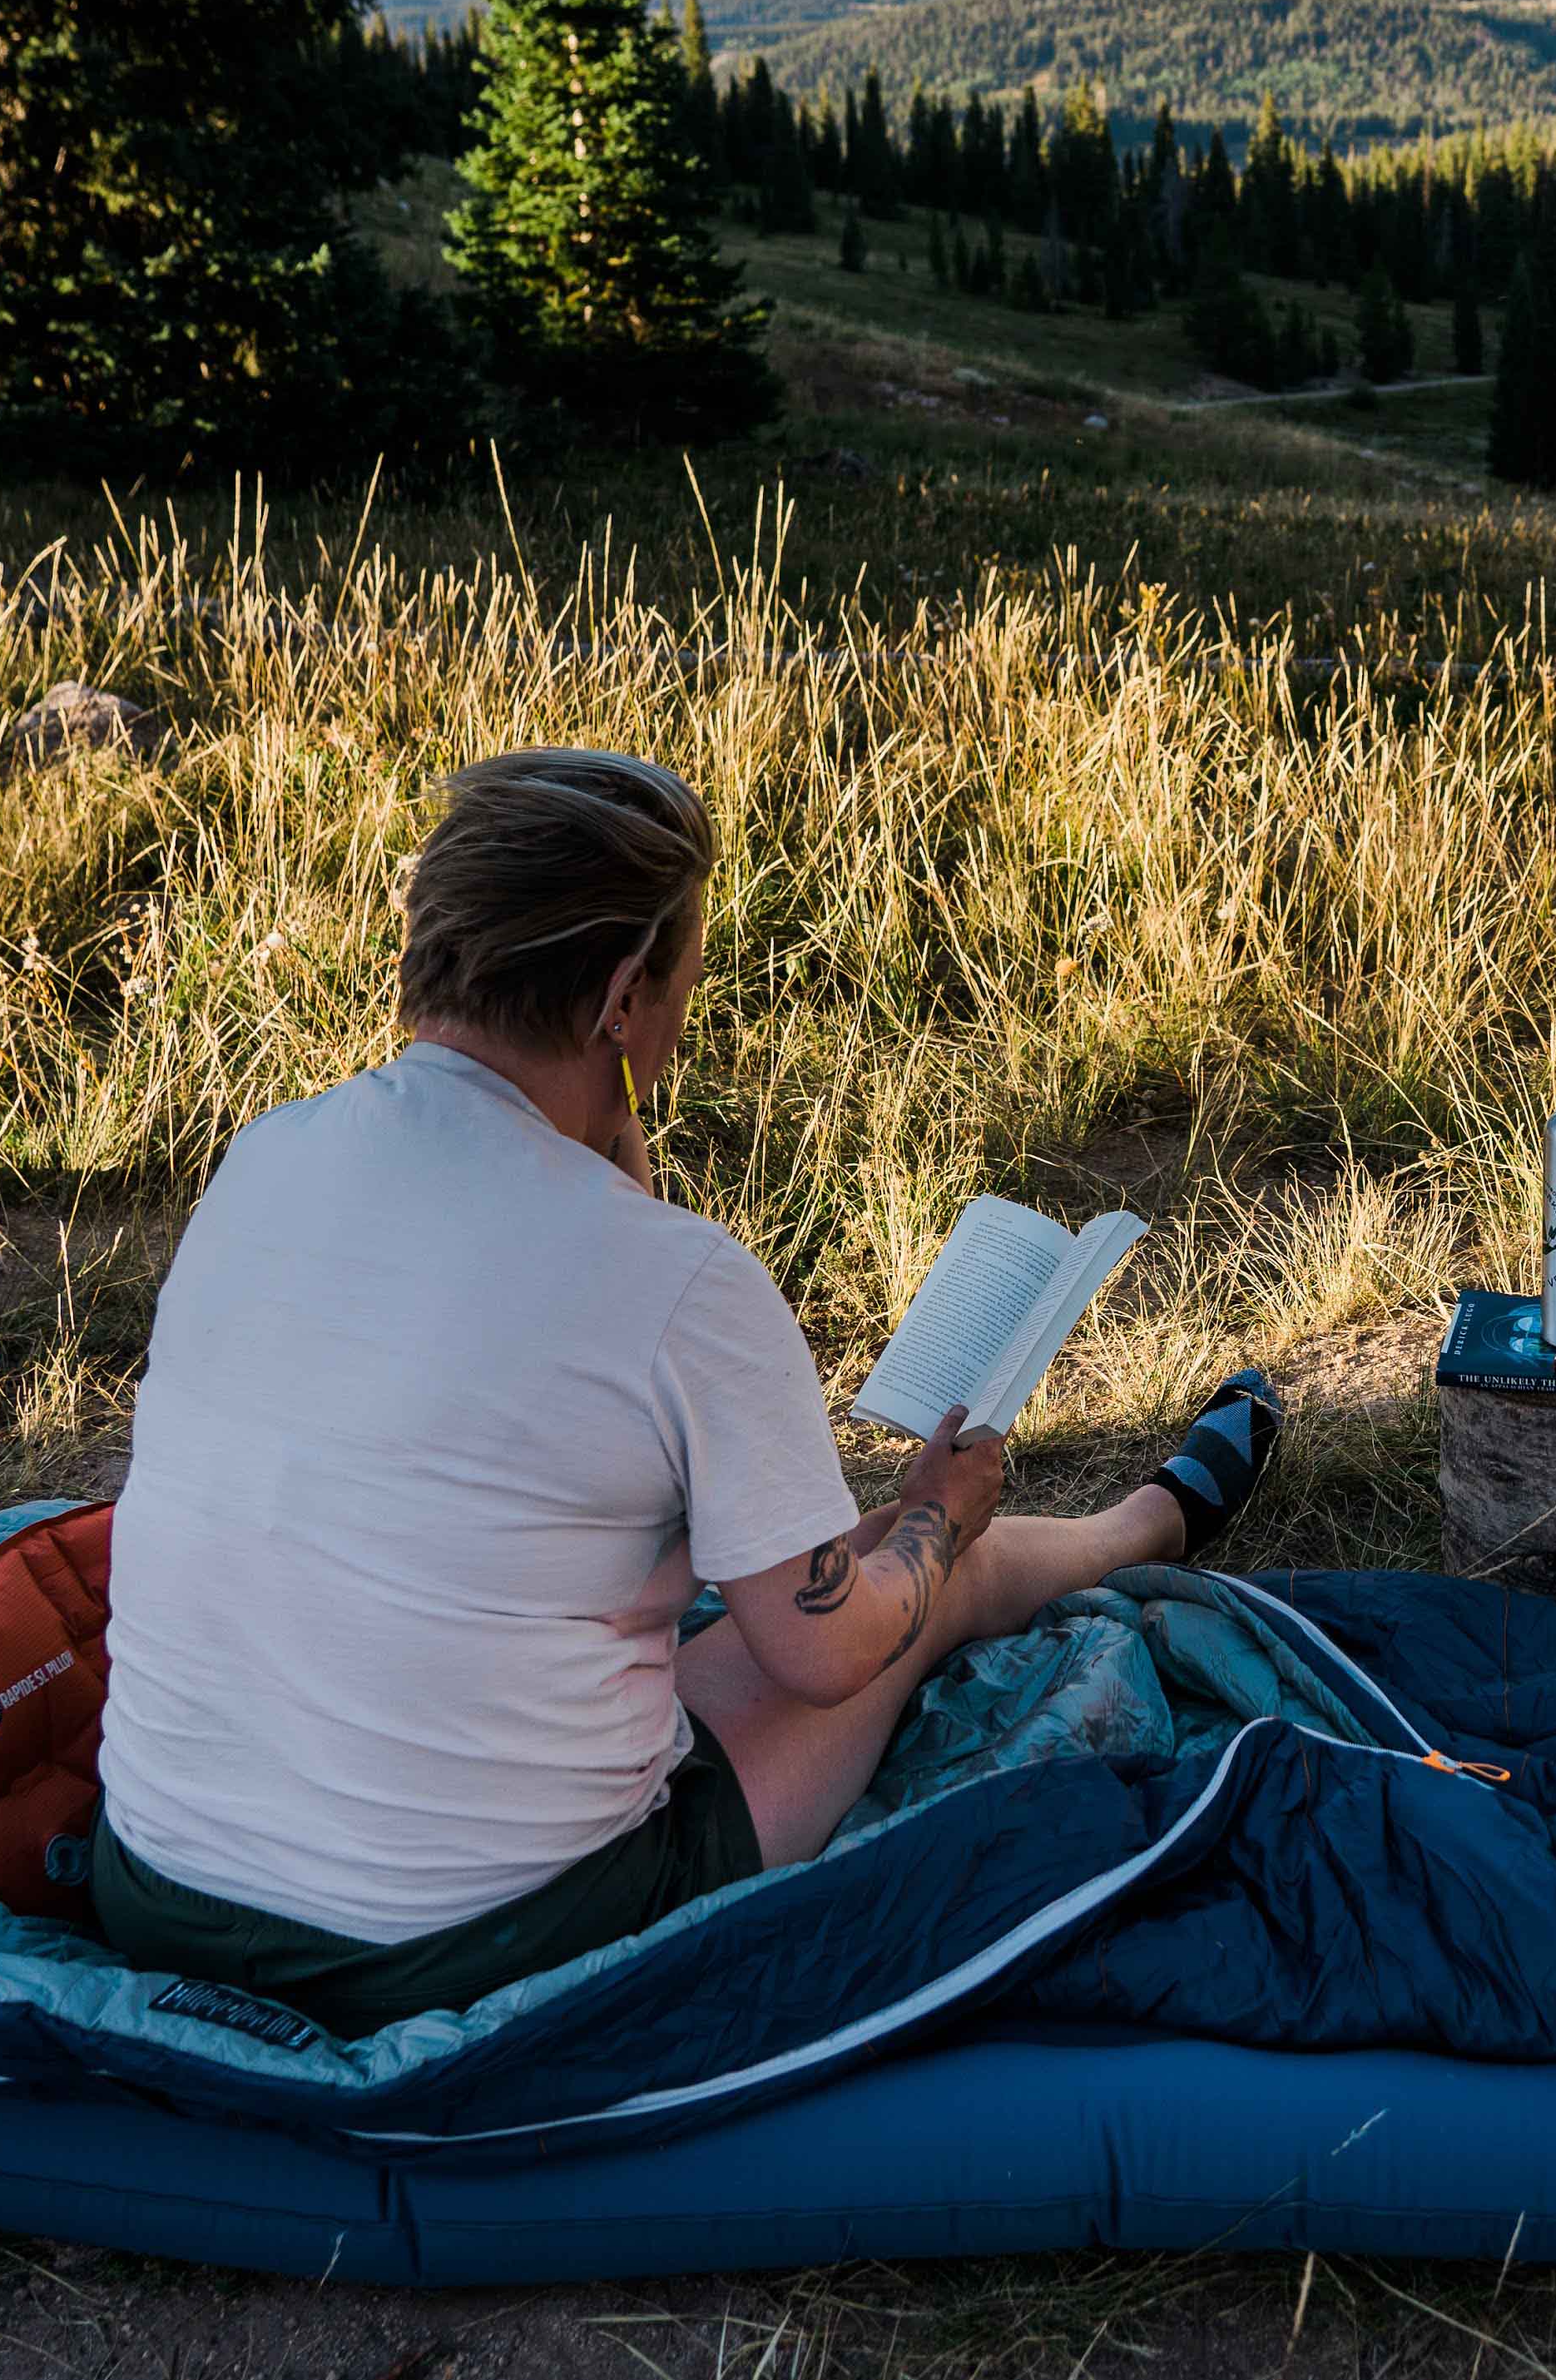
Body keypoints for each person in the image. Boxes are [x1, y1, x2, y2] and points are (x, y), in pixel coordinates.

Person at [87, 749, 1282, 2035]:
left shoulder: (266, 1155)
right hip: (442, 1942)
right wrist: (942, 1513)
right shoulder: (678, 1283)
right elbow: (824, 1654)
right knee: (915, 1574)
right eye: (683, 986)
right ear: (620, 996)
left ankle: (1122, 1520)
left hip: (155, 1882)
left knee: (765, 1573)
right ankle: (1150, 1523)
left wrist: (605, 1136)